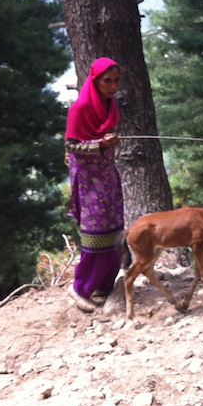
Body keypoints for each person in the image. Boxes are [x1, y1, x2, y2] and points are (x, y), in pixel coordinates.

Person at [64, 57, 124, 312]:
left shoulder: (111, 105)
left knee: (114, 229)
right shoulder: (80, 108)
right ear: (95, 81)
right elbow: (71, 146)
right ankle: (81, 288)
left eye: (116, 80)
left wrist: (107, 142)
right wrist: (100, 144)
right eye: (107, 81)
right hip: (89, 182)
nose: (112, 86)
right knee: (95, 232)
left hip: (108, 175)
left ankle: (104, 284)